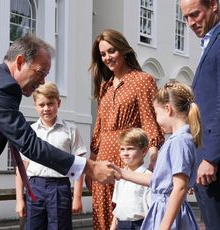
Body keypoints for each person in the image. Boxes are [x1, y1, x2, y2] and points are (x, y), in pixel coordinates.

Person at [0, 35, 119, 187]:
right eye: (40, 73)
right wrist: (90, 167)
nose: (42, 82)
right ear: (20, 62)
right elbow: (29, 144)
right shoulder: (5, 87)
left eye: (45, 76)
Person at [85, 29, 164, 229]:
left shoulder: (142, 80)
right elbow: (98, 129)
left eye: (111, 51)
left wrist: (153, 152)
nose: (107, 58)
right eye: (103, 54)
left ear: (123, 50)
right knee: (102, 215)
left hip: (126, 155)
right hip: (103, 156)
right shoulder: (105, 86)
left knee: (129, 214)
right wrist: (92, 165)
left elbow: (150, 119)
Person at [113, 81, 202, 229]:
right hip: (165, 211)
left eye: (156, 113)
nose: (156, 118)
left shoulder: (179, 142)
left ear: (168, 109)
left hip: (167, 214)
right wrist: (120, 172)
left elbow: (179, 187)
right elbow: (158, 181)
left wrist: (164, 226)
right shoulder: (178, 140)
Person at [15, 82, 86, 229]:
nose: (46, 108)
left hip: (59, 188)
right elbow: (21, 167)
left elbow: (79, 166)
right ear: (35, 106)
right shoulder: (29, 131)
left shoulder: (70, 130)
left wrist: (77, 197)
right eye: (41, 105)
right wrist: (19, 200)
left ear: (58, 103)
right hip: (34, 187)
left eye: (50, 104)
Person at [180, 0, 220, 228]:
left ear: (214, 5)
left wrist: (210, 157)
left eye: (195, 14)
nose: (190, 23)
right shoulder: (211, 42)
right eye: (186, 17)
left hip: (216, 165)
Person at [110, 128, 151, 230]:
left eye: (130, 148)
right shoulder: (120, 176)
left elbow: (152, 209)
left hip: (140, 225)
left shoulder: (148, 177)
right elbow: (118, 206)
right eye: (122, 149)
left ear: (144, 151)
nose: (125, 153)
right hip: (121, 224)